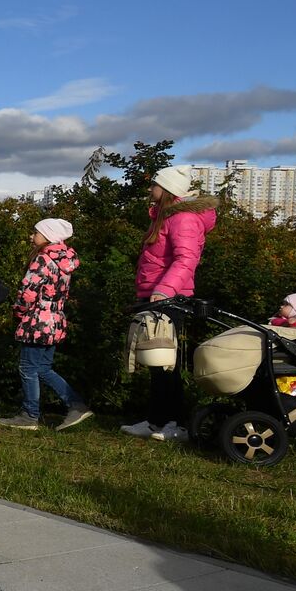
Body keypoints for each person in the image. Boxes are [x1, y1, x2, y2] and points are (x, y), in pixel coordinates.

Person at [120, 164, 219, 442]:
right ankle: (156, 421)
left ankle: (172, 423)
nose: (150, 189)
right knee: (156, 361)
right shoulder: (165, 217)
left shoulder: (183, 218)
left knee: (167, 364)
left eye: (155, 184)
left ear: (168, 190)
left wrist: (164, 289)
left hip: (167, 299)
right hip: (156, 296)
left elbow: (186, 259)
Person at [0, 217, 92, 432]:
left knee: (28, 368)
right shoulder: (64, 262)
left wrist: (18, 312)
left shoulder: (42, 260)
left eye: (36, 233)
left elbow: (28, 292)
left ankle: (30, 414)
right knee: (42, 367)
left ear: (48, 236)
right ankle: (76, 405)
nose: (32, 237)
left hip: (37, 321)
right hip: (55, 320)